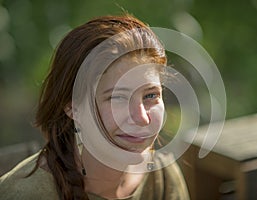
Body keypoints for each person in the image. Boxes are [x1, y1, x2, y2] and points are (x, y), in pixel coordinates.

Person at [0, 15, 190, 200]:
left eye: (150, 95)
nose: (142, 118)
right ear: (72, 107)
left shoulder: (163, 177)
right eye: (118, 98)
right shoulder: (26, 193)